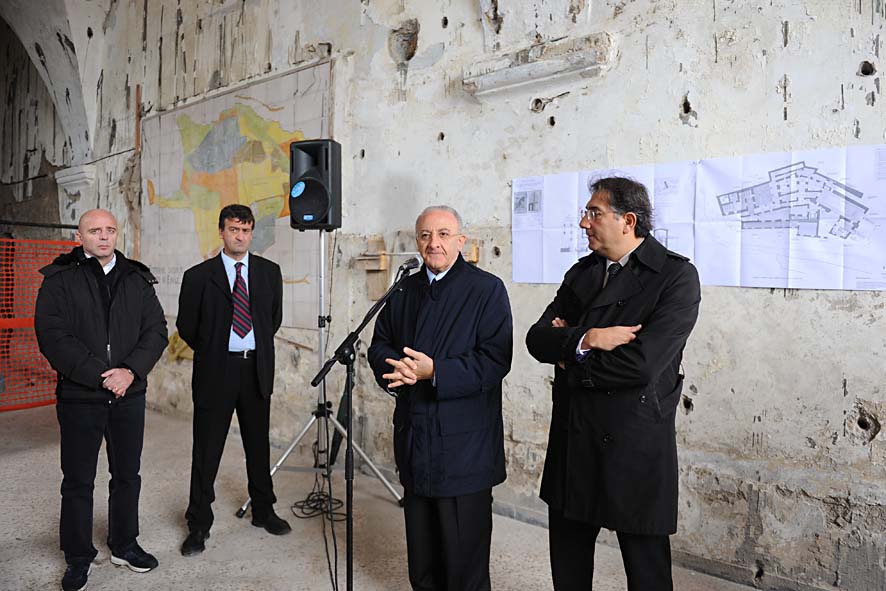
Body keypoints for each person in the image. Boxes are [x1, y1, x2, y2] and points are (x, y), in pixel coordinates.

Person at [525, 177, 701, 591]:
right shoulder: (583, 272)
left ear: (629, 221)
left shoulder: (675, 277)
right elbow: (536, 339)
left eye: (594, 213)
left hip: (634, 443)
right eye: (586, 212)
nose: (584, 222)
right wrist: (589, 339)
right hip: (574, 439)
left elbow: (641, 365)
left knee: (647, 573)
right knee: (568, 570)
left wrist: (569, 356)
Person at [368, 206, 513, 591]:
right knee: (423, 560)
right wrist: (395, 367)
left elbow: (495, 360)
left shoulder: (486, 290)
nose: (434, 243)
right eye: (426, 235)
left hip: (464, 447)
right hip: (415, 439)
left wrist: (435, 372)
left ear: (461, 241)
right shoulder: (403, 290)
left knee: (464, 563)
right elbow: (379, 343)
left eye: (444, 234)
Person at [35, 209, 168, 591]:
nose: (104, 236)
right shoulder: (59, 279)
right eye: (95, 230)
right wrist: (100, 376)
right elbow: (53, 335)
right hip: (81, 396)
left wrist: (129, 372)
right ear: (80, 236)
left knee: (127, 475)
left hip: (129, 394)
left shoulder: (137, 278)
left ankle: (125, 544)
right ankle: (78, 556)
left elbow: (156, 330)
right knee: (78, 480)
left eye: (110, 230)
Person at [177, 204, 289, 557]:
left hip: (255, 368)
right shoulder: (198, 276)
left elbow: (272, 320)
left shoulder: (269, 273)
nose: (239, 236)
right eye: (232, 229)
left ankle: (263, 510)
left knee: (258, 445)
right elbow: (187, 326)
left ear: (251, 233)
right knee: (206, 450)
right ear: (221, 232)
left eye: (245, 230)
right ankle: (198, 523)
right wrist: (215, 350)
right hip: (216, 370)